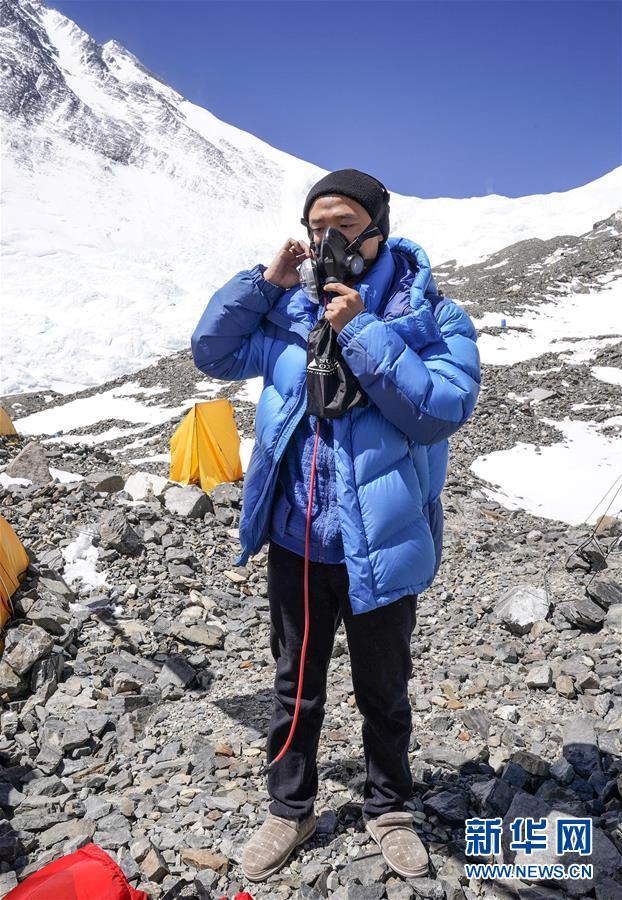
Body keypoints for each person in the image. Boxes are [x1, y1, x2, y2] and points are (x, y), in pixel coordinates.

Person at [191, 169, 481, 884]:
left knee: (383, 687)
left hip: (381, 543)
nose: (329, 240)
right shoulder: (288, 313)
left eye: (344, 225)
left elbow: (440, 410)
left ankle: (390, 810)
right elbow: (211, 352)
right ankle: (289, 809)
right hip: (298, 541)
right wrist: (264, 283)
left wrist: (362, 329)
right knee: (297, 685)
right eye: (317, 226)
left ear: (378, 230)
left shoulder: (431, 317)